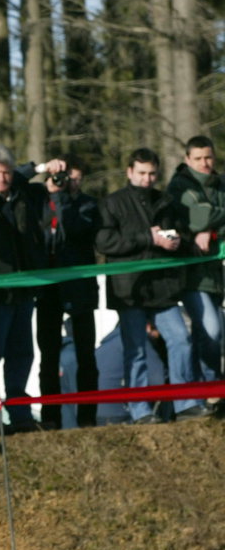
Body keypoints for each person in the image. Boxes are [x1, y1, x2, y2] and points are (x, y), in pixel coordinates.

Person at [95, 148, 204, 424]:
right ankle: (140, 409)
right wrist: (148, 238)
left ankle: (186, 402)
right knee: (136, 350)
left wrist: (177, 243)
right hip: (129, 289)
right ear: (130, 172)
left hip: (163, 289)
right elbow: (105, 242)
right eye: (142, 173)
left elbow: (180, 235)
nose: (147, 179)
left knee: (181, 340)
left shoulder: (166, 201)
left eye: (152, 173)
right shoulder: (112, 203)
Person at [0, 145, 67, 433]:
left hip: (23, 291)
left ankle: (20, 413)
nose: (2, 178)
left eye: (7, 173)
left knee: (22, 355)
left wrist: (42, 167)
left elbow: (23, 176)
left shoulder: (22, 195)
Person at [37, 158, 101, 430]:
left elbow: (75, 230)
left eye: (75, 178)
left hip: (80, 286)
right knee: (48, 355)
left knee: (86, 354)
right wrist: (49, 188)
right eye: (65, 178)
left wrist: (62, 200)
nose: (70, 183)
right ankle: (51, 417)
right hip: (49, 287)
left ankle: (87, 417)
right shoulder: (40, 202)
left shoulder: (88, 204)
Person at [166, 135, 225, 400]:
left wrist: (211, 229)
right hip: (191, 276)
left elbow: (208, 219)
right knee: (210, 331)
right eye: (198, 158)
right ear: (187, 159)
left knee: (213, 333)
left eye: (208, 157)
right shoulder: (181, 186)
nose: (204, 163)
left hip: (217, 273)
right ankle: (207, 387)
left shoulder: (220, 183)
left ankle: (211, 390)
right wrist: (209, 223)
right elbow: (199, 216)